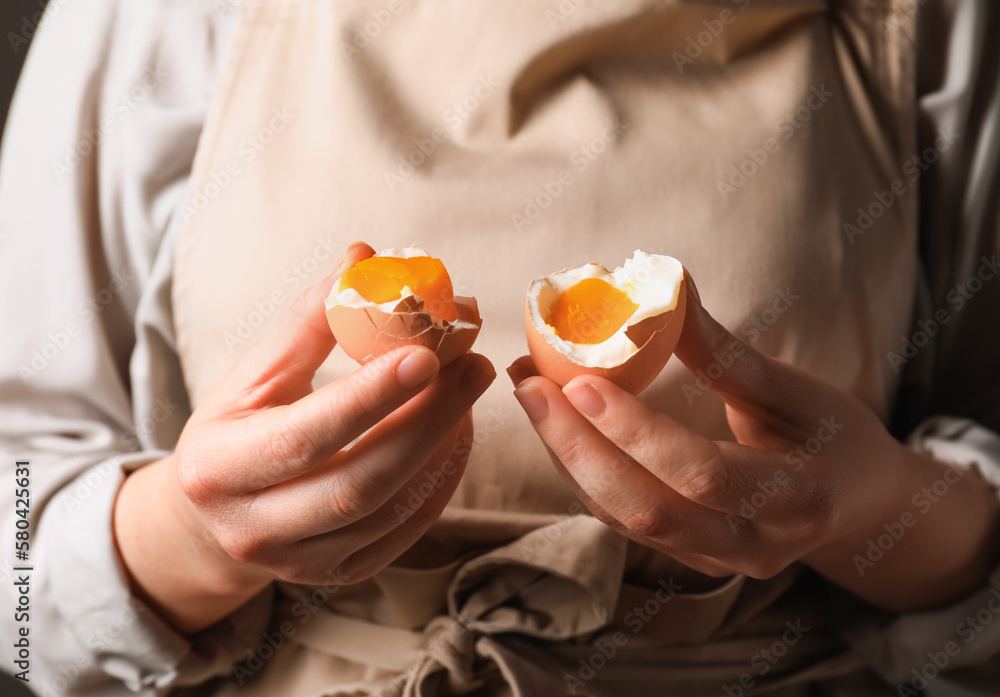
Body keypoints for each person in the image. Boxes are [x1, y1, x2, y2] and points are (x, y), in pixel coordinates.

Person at [2, 0, 1000, 695]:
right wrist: (175, 535)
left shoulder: (933, 21)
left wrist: (878, 515)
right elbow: (8, 584)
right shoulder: (149, 16)